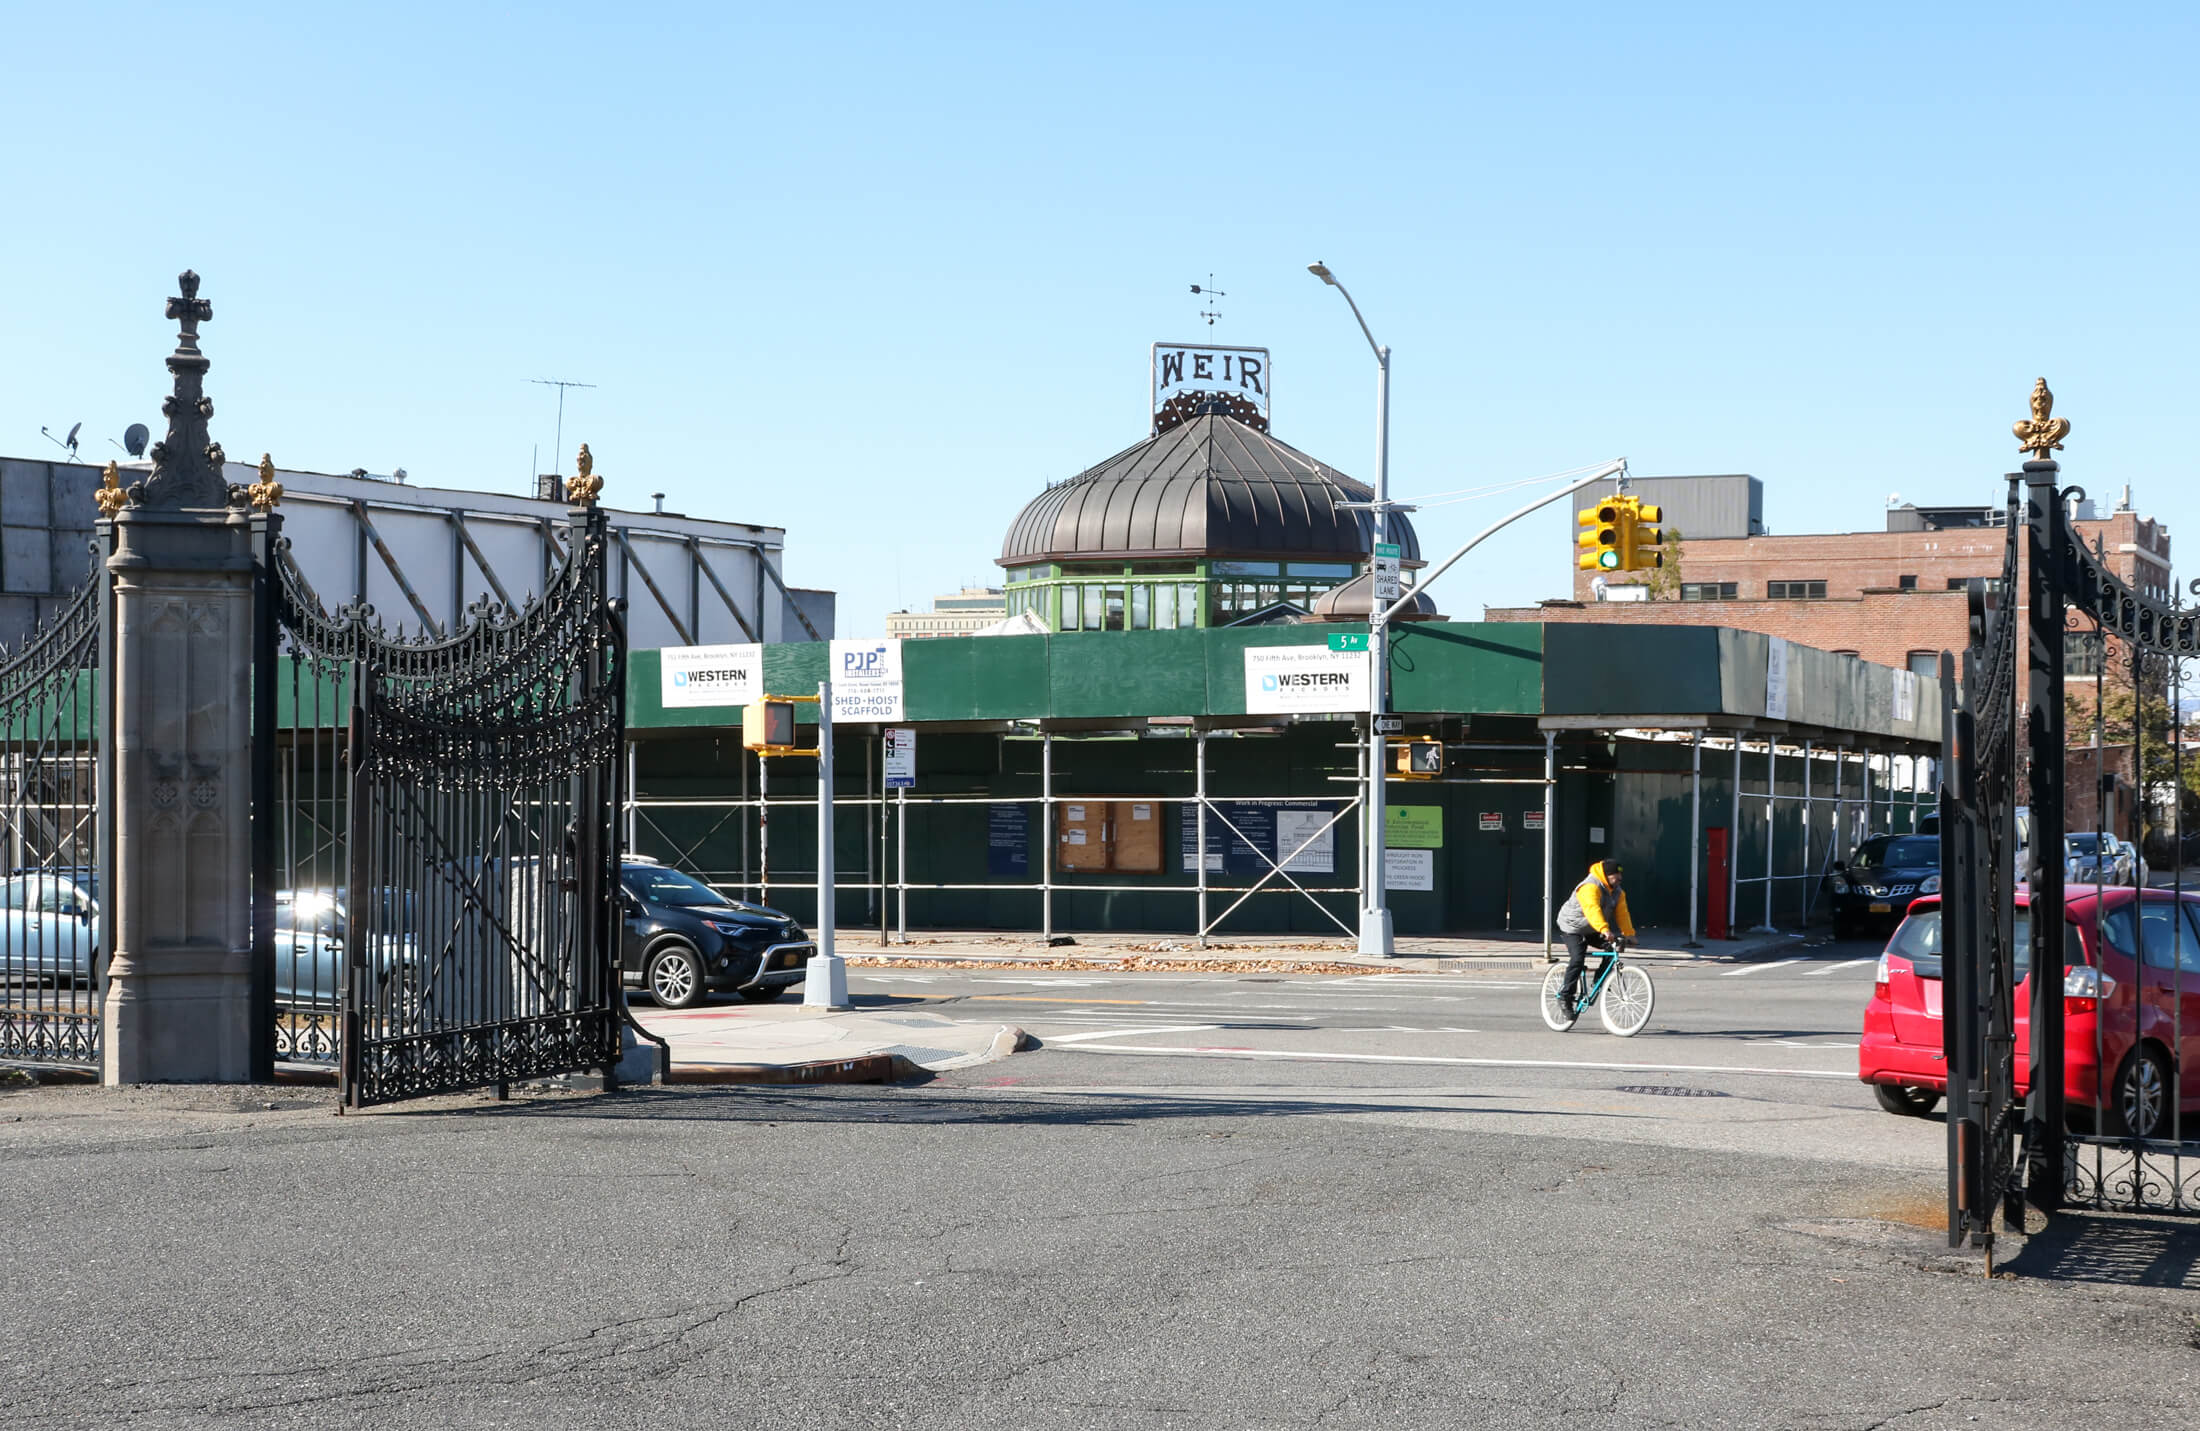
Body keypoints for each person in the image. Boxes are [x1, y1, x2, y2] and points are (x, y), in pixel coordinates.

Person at [1555, 859, 1634, 1013]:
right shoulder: (1590, 887)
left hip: (1593, 927)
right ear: (1606, 875)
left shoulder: (1618, 892)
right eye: (1615, 876)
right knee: (1578, 958)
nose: (1619, 879)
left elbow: (1622, 914)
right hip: (1573, 927)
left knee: (1613, 948)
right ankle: (1565, 996)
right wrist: (1604, 929)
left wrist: (1629, 934)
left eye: (1620, 876)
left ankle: (1599, 979)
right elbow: (1592, 910)